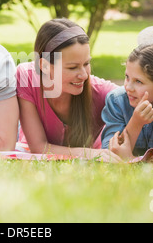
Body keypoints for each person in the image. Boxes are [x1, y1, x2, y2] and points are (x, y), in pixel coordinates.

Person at [16, 18, 124, 162]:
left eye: (86, 64)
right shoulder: (26, 77)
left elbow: (140, 99)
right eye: (73, 67)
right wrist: (87, 153)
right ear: (45, 66)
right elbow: (39, 147)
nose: (84, 75)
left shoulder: (101, 91)